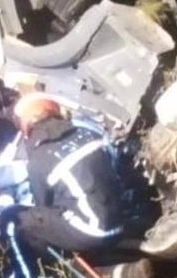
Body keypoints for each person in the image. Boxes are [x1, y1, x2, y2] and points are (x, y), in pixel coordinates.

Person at [10, 93, 124, 253]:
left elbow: (43, 205)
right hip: (123, 217)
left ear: (26, 126)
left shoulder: (39, 159)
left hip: (94, 231)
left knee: (19, 219)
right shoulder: (87, 132)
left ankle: (55, 269)